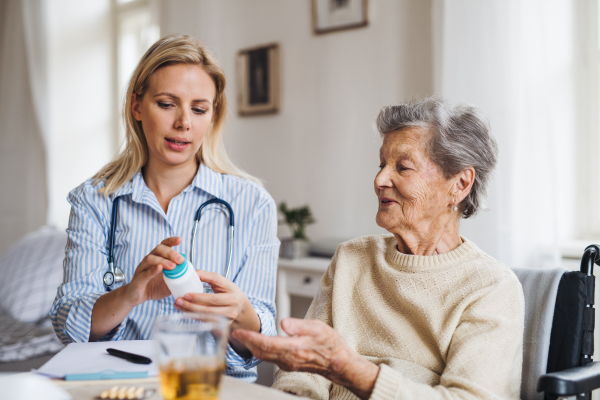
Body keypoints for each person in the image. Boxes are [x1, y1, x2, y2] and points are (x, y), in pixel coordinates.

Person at [233, 97, 524, 399]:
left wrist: (350, 370)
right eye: (382, 164)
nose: (380, 179)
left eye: (403, 167)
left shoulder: (491, 288)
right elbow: (303, 370)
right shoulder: (352, 258)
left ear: (460, 184)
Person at [50, 35, 279, 382]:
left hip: (211, 386)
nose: (184, 122)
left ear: (212, 115)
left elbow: (260, 340)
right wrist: (130, 294)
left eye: (199, 109)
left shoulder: (252, 203)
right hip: (117, 385)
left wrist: (241, 312)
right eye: (167, 104)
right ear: (137, 106)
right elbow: (69, 325)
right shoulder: (94, 200)